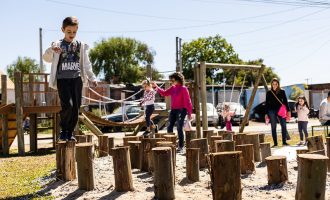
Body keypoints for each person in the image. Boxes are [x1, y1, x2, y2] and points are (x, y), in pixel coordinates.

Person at [43, 16, 97, 141]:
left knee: (76, 107)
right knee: (67, 105)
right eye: (69, 32)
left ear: (77, 30)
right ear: (63, 30)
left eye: (74, 32)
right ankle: (64, 129)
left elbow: (87, 64)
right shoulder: (57, 45)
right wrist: (52, 49)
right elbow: (46, 58)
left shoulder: (81, 46)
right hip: (63, 80)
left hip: (77, 79)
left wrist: (92, 77)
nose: (71, 34)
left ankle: (70, 132)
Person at [152, 72, 192, 152]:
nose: (171, 82)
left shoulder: (183, 88)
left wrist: (189, 113)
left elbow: (188, 102)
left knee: (179, 127)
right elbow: (164, 93)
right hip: (173, 110)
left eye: (172, 80)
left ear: (178, 79)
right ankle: (171, 144)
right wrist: (156, 86)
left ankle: (181, 146)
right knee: (169, 126)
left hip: (182, 110)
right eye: (170, 80)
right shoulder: (173, 88)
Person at [265, 78, 290, 147]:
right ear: (271, 84)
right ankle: (275, 143)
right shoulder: (269, 92)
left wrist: (288, 111)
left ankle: (284, 142)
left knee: (284, 126)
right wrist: (266, 113)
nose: (274, 85)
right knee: (273, 127)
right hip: (271, 111)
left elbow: (285, 101)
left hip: (281, 111)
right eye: (273, 84)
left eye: (276, 84)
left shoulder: (282, 91)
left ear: (278, 84)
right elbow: (267, 103)